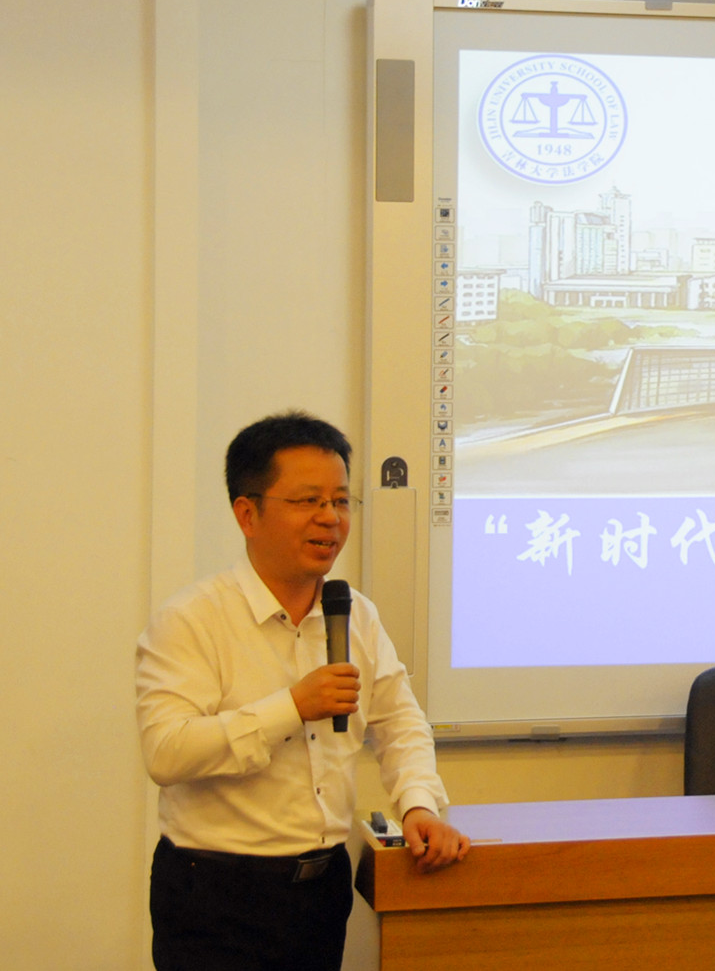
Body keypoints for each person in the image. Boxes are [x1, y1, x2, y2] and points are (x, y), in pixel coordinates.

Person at [136, 411, 470, 970]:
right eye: (307, 501)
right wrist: (291, 706)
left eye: (340, 501)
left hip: (320, 890)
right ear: (247, 513)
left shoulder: (355, 614)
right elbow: (166, 752)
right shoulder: (191, 619)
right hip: (215, 894)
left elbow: (399, 723)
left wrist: (418, 804)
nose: (330, 518)